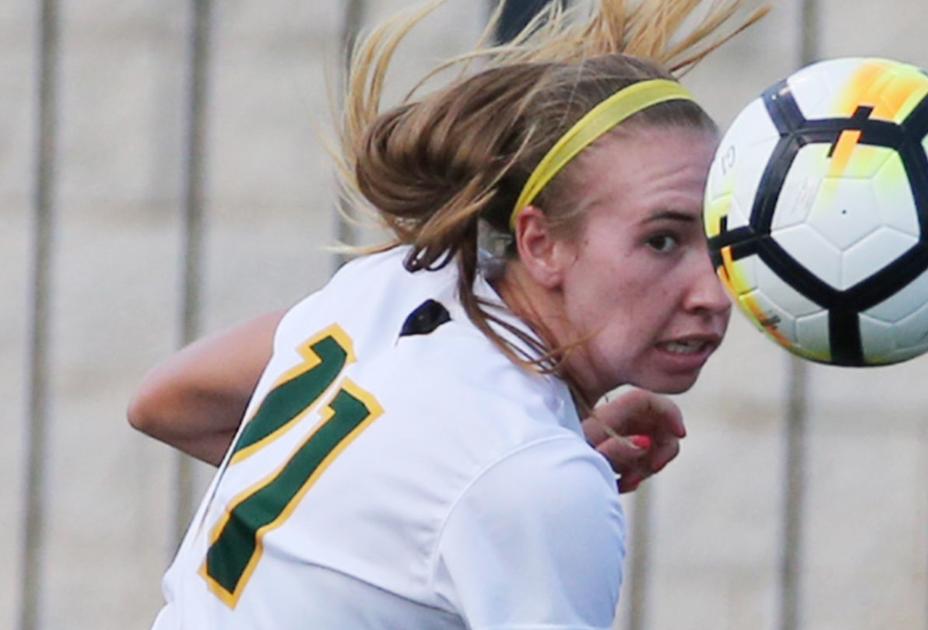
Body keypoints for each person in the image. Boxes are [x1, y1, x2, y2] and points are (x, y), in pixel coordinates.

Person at [129, 0, 765, 627]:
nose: (713, 293)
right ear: (540, 242)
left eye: (717, 239)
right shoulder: (532, 477)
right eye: (661, 240)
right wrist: (509, 492)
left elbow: (167, 400)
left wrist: (423, 518)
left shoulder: (396, 285)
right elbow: (494, 473)